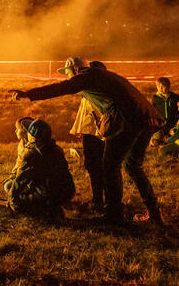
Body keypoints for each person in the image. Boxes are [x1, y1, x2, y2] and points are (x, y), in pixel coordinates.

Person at [12, 57, 163, 227]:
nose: (68, 77)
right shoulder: (103, 76)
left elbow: (61, 88)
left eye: (68, 73)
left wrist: (29, 94)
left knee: (109, 166)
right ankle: (155, 212)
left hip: (127, 119)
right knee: (132, 166)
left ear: (76, 70)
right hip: (147, 118)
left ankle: (114, 215)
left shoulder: (88, 75)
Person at [4, 119, 75, 221]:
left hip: (47, 194)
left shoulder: (32, 155)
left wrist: (12, 200)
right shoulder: (57, 150)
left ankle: (44, 213)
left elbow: (20, 181)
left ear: (32, 136)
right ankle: (53, 207)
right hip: (66, 193)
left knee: (14, 197)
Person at [70, 59, 106, 213]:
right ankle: (98, 200)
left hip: (100, 135)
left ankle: (102, 202)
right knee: (92, 167)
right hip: (90, 132)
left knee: (102, 168)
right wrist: (80, 129)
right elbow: (85, 111)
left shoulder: (100, 91)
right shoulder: (89, 90)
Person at [150, 77, 179, 148]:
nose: (160, 88)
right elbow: (153, 112)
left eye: (163, 86)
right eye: (158, 86)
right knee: (157, 139)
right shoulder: (155, 98)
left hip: (173, 124)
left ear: (168, 86)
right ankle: (156, 142)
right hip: (160, 125)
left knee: (172, 141)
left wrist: (177, 124)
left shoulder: (175, 97)